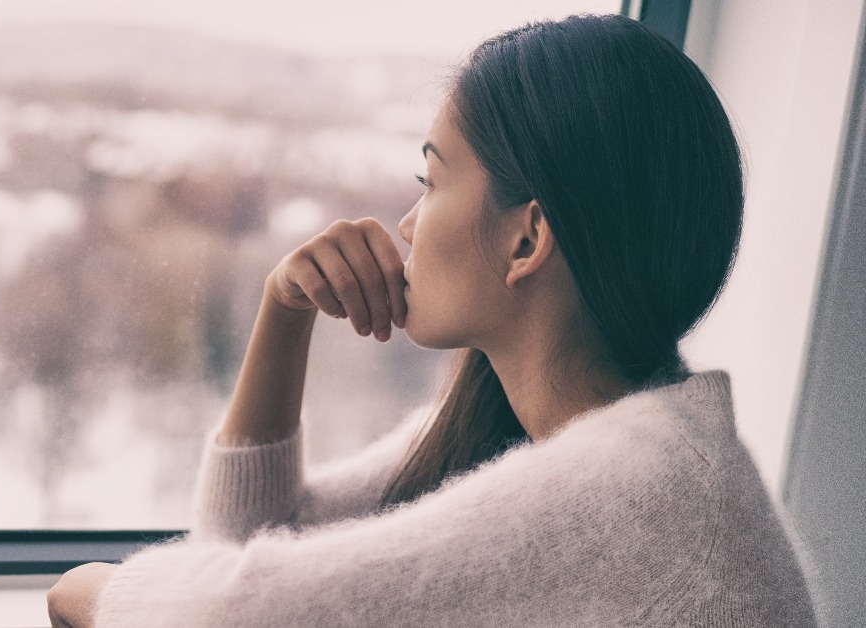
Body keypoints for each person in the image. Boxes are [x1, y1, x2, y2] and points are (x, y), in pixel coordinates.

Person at [47, 13, 820, 627]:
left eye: (433, 180)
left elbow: (224, 613)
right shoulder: (547, 426)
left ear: (527, 238)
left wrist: (86, 590)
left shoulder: (642, 490)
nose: (409, 224)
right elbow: (249, 543)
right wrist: (283, 313)